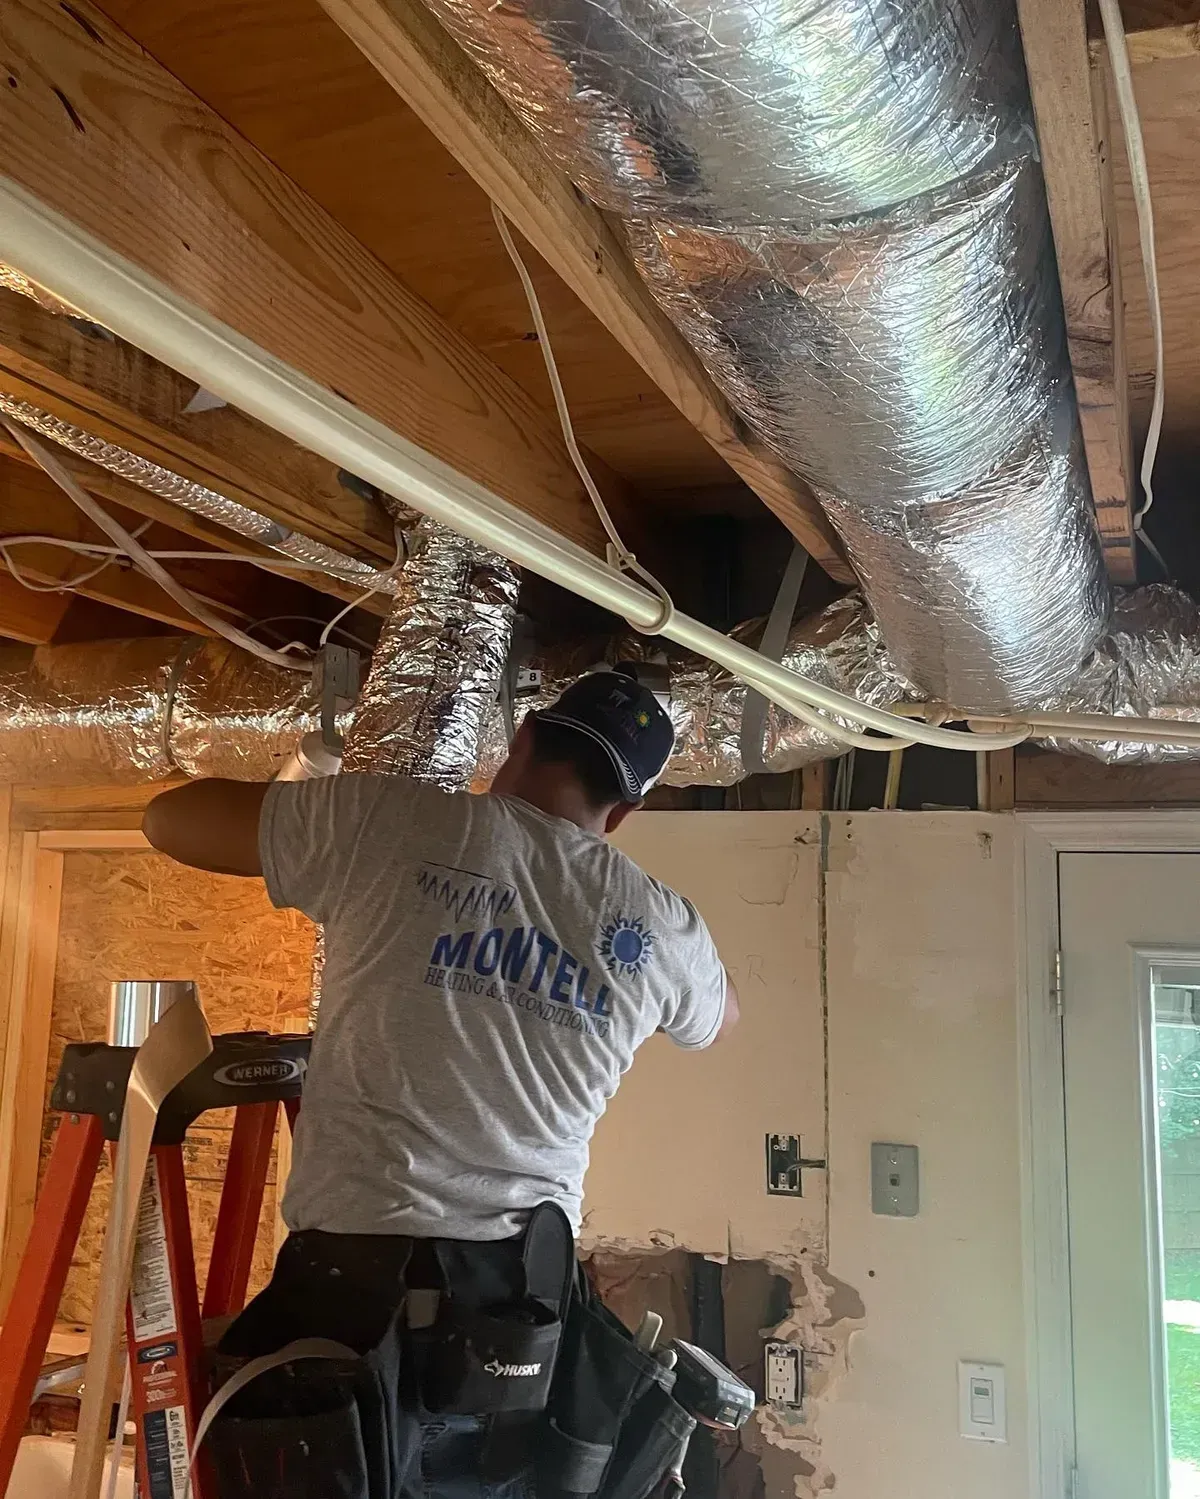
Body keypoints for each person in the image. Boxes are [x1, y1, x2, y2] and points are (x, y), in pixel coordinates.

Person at [144, 665, 737, 1498]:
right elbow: (720, 1019)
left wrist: (306, 801)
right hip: (517, 1316)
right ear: (624, 813)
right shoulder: (662, 929)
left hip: (350, 1294)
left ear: (523, 738)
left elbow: (168, 819)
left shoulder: (390, 820)